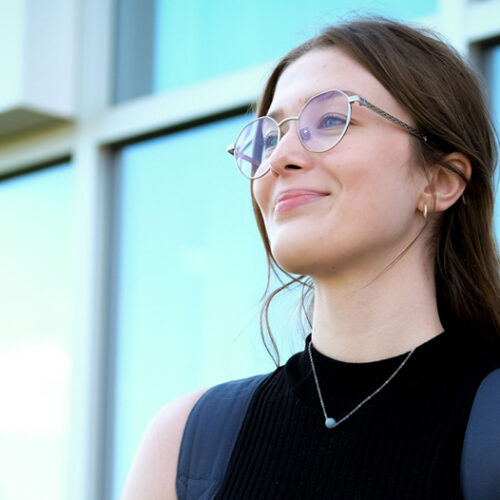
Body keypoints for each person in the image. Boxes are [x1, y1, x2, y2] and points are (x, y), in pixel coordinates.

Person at [121, 17, 500, 499]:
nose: (280, 158)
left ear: (440, 181)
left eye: (331, 121)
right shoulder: (183, 446)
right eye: (269, 138)